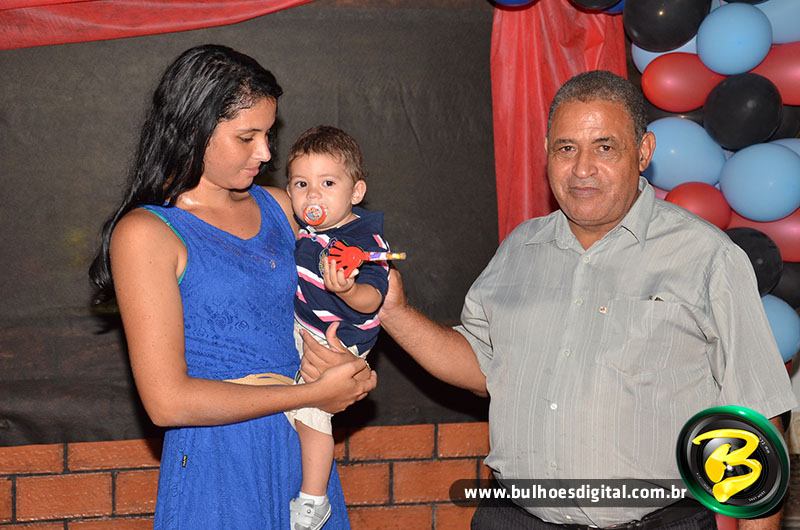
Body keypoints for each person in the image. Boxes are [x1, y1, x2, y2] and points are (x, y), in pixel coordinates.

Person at [300, 71, 797, 529]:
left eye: (605, 147)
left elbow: (758, 415)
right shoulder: (520, 248)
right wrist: (394, 311)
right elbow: (483, 366)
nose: (582, 169)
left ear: (643, 151)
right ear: (546, 153)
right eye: (566, 148)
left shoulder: (707, 257)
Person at [88, 44, 375, 529]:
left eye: (268, 134)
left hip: (298, 455)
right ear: (194, 129)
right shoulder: (147, 233)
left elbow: (353, 296)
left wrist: (350, 367)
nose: (266, 153)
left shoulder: (283, 208)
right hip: (216, 462)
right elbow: (166, 402)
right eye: (247, 137)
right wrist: (309, 395)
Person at [283, 125, 390, 530]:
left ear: (355, 192)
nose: (313, 195)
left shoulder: (363, 241)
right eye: (302, 184)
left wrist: (348, 290)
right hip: (304, 327)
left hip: (341, 339)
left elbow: (374, 299)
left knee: (311, 410)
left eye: (328, 183)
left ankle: (314, 500)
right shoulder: (307, 232)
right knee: (287, 407)